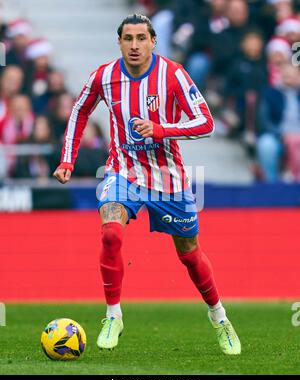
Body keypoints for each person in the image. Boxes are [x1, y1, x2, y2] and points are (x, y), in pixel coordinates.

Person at [53, 14, 241, 355]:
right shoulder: (105, 76)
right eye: (128, 38)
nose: (135, 45)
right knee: (110, 232)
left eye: (141, 38)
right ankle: (113, 315)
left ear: (153, 41)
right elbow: (79, 111)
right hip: (122, 172)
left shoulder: (173, 74)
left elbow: (207, 123)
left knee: (189, 255)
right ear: (120, 42)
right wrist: (68, 159)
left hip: (168, 179)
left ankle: (219, 316)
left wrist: (161, 128)